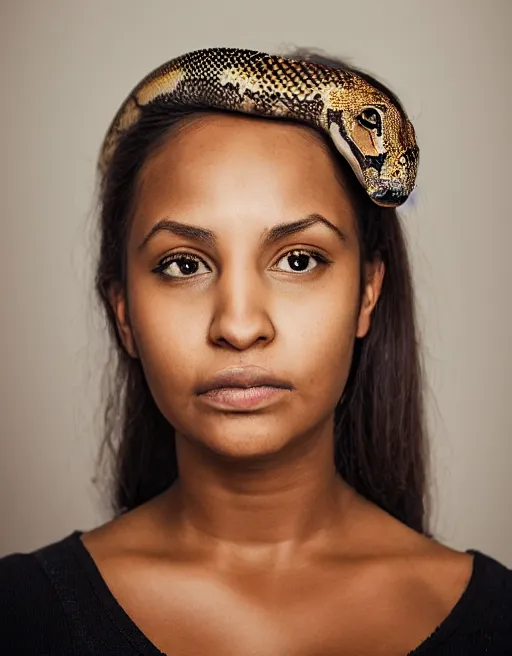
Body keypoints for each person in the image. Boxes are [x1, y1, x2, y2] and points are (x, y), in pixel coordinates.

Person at [1, 49, 511, 655]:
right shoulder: (19, 616)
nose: (239, 326)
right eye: (183, 264)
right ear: (124, 314)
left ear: (367, 293)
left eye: (299, 260)